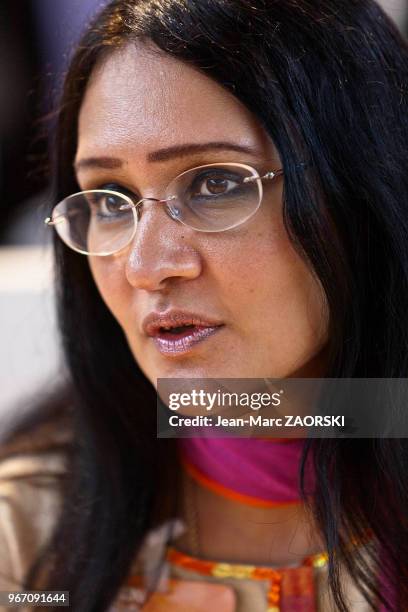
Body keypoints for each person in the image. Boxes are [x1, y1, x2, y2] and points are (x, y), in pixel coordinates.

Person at [0, 0, 407, 610]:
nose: (145, 267)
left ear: (362, 189)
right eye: (110, 199)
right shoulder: (28, 536)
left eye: (215, 185)